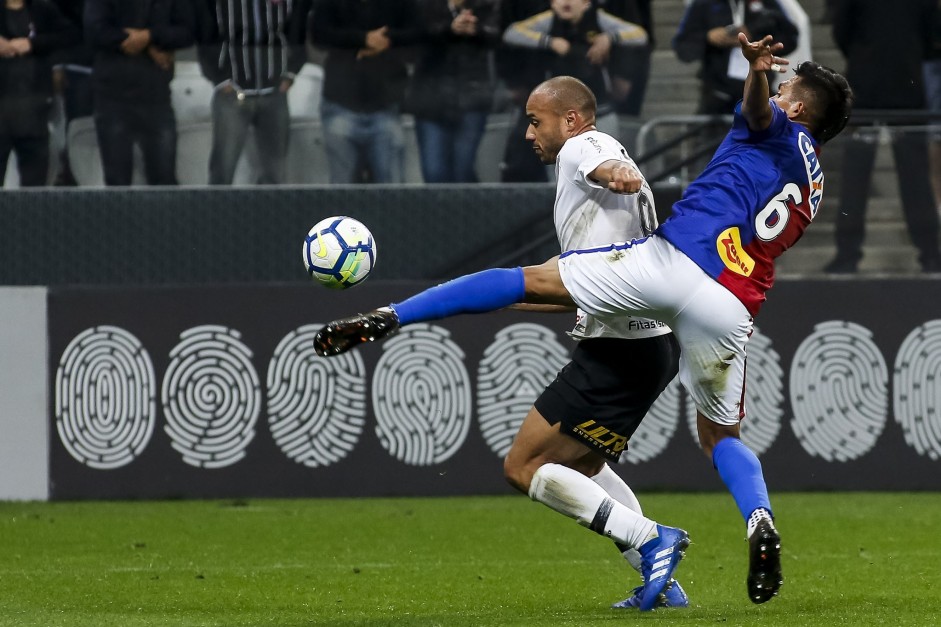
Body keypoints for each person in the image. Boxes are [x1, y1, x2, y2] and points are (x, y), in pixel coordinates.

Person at [314, 36, 854, 605]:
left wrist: (754, 72)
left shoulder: (764, 127)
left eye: (789, 87)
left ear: (797, 109)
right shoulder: (814, 185)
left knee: (523, 301)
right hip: (732, 303)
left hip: (675, 263)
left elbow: (752, 111)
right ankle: (758, 520)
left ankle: (391, 315)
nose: (779, 87)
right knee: (718, 437)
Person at [823, 0, 941, 274]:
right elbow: (932, 35)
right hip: (905, 87)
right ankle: (930, 255)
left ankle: (847, 256)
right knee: (913, 180)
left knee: (858, 178)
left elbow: (842, 30)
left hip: (866, 86)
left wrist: (862, 54)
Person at [197, 0, 312, 186]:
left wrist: (291, 72)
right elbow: (204, 32)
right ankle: (217, 213)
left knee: (275, 171)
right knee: (223, 170)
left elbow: (297, 30)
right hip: (232, 93)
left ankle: (270, 214)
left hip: (274, 92)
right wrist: (220, 79)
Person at [309, 0, 424, 184]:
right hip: (341, 101)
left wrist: (386, 40)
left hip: (386, 103)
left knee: (391, 188)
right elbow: (319, 35)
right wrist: (362, 39)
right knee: (342, 188)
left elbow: (418, 33)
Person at [84, 0, 195, 186]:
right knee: (117, 182)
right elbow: (95, 31)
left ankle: (162, 216)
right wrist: (148, 45)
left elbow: (188, 32)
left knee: (165, 180)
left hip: (157, 98)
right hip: (112, 98)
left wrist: (150, 36)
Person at [502, 0, 649, 138]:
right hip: (557, 111)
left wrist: (610, 38)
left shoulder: (598, 18)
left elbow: (640, 35)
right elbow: (512, 33)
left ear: (586, 3)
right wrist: (549, 42)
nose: (567, 2)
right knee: (559, 160)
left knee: (603, 159)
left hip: (598, 108)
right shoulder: (548, 20)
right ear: (552, 3)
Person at [406, 0, 501, 183]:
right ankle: (436, 211)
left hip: (472, 99)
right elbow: (415, 35)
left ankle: (467, 211)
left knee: (463, 171)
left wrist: (477, 29)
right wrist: (449, 29)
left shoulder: (486, 5)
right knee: (434, 172)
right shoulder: (424, 6)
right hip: (430, 101)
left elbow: (497, 34)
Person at [0, 0, 79, 187]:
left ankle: (28, 215)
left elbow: (71, 34)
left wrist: (32, 43)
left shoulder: (43, 9)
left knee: (34, 181)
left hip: (34, 107)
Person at [673, 0, 797, 115]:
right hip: (717, 97)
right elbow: (682, 46)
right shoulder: (704, 3)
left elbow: (791, 38)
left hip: (760, 93)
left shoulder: (767, 3)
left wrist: (755, 38)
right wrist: (708, 38)